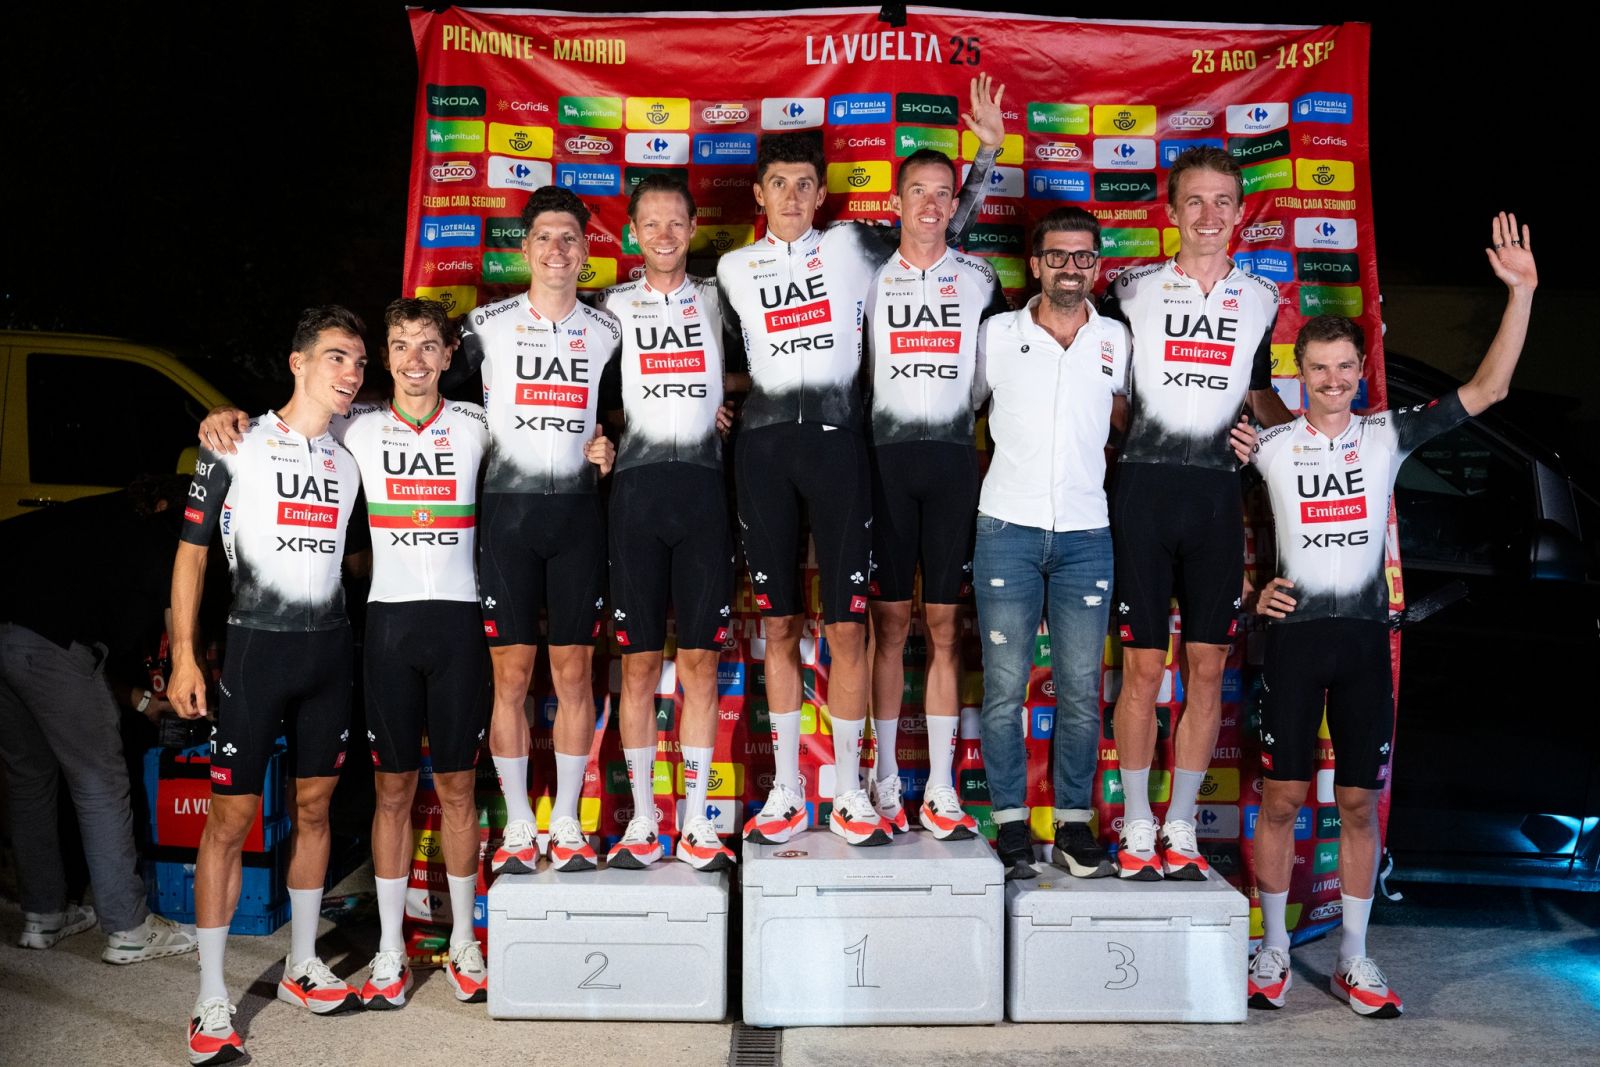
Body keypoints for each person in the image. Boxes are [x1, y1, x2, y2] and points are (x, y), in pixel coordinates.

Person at [1241, 214, 1536, 1018]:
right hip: (1296, 641)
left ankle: (1354, 958)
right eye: (1320, 368)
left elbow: (1489, 390)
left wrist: (1522, 293)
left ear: (1360, 371)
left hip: (1365, 642)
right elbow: (1190, 508)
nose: (1334, 379)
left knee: (1358, 804)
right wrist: (1247, 596)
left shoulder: (1386, 436)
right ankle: (1273, 949)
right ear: (1299, 373)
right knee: (1281, 798)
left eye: (1346, 366)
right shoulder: (1268, 441)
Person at [720, 74, 1005, 847]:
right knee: (779, 625)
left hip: (844, 447)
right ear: (759, 193)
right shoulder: (732, 271)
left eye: (804, 185)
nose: (791, 197)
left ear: (821, 195)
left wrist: (986, 157)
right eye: (778, 184)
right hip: (764, 452)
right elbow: (701, 362)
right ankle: (786, 790)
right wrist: (707, 404)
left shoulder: (852, 245)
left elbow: (936, 228)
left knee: (849, 628)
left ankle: (849, 789)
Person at [201, 299, 495, 1005]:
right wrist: (221, 416)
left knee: (459, 790)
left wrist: (599, 450)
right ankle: (391, 952)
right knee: (392, 792)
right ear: (386, 359)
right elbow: (286, 416)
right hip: (387, 630)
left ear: (448, 355)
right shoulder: (353, 422)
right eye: (400, 346)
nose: (415, 360)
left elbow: (559, 443)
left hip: (460, 629)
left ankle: (463, 943)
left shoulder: (478, 424)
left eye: (429, 346)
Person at [171, 307, 368, 1065]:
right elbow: (191, 554)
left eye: (358, 362)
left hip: (329, 654)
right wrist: (185, 656)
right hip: (255, 652)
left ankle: (301, 965)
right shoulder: (234, 441)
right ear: (297, 362)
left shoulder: (352, 451)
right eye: (336, 357)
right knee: (230, 820)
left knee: (315, 810)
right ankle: (210, 996)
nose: (351, 372)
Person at [1101, 146, 1294, 880]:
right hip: (1143, 495)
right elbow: (1104, 390)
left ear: (1240, 212)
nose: (1208, 215)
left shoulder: (1261, 298)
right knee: (1143, 666)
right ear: (1171, 211)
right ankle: (1138, 822)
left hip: (1216, 499)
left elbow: (1260, 395)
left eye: (1222, 202)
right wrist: (1145, 440)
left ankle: (1180, 822)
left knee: (1207, 667)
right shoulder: (1132, 289)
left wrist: (1286, 439)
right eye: (1195, 201)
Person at [453, 186, 619, 875]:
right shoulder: (484, 324)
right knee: (512, 676)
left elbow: (626, 412)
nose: (557, 249)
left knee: (574, 673)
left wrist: (610, 446)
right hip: (507, 517)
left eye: (569, 238)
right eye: (545, 237)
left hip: (578, 518)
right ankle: (521, 823)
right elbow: (426, 397)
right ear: (525, 249)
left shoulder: (608, 330)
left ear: (585, 251)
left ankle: (569, 822)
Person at [971, 208, 1130, 878]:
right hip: (1006, 528)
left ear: (1097, 265)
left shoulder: (1117, 340)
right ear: (1035, 264)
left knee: (1081, 690)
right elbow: (962, 407)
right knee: (1005, 689)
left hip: (1087, 535)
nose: (1071, 267)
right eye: (1057, 256)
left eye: (1083, 256)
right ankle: (1010, 826)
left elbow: (1130, 419)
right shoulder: (996, 334)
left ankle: (1072, 825)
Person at [593, 174, 739, 872]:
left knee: (702, 662)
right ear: (632, 233)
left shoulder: (719, 297)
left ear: (692, 227)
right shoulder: (610, 307)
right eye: (650, 223)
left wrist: (727, 403)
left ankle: (698, 822)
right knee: (640, 664)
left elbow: (773, 363)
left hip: (705, 492)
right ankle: (645, 821)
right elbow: (582, 388)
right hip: (636, 499)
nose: (663, 235)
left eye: (675, 222)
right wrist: (600, 437)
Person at [863, 148, 1009, 840]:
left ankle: (944, 787)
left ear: (956, 203)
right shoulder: (865, 272)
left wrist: (988, 154)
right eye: (917, 191)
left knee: (947, 627)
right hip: (883, 462)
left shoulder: (980, 278)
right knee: (889, 625)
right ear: (896, 201)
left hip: (953, 461)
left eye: (942, 193)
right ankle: (886, 777)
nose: (929, 204)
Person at [0, 476, 200, 963]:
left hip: (8, 633)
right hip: (50, 643)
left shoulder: (92, 518)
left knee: (28, 780)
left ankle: (43, 916)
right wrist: (190, 682)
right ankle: (129, 929)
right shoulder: (165, 536)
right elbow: (178, 630)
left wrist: (142, 702)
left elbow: (76, 662)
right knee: (99, 783)